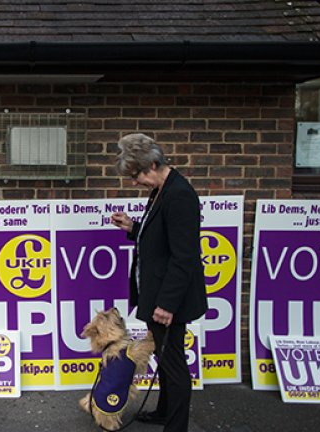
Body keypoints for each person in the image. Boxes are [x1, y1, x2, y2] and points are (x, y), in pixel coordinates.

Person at [109, 133, 208, 432]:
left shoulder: (179, 195)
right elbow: (160, 237)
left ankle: (175, 427)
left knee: (174, 366)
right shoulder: (162, 189)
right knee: (164, 360)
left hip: (170, 299)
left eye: (137, 174)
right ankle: (165, 411)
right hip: (158, 292)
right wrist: (132, 227)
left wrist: (167, 304)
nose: (134, 182)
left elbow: (185, 256)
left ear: (153, 164)